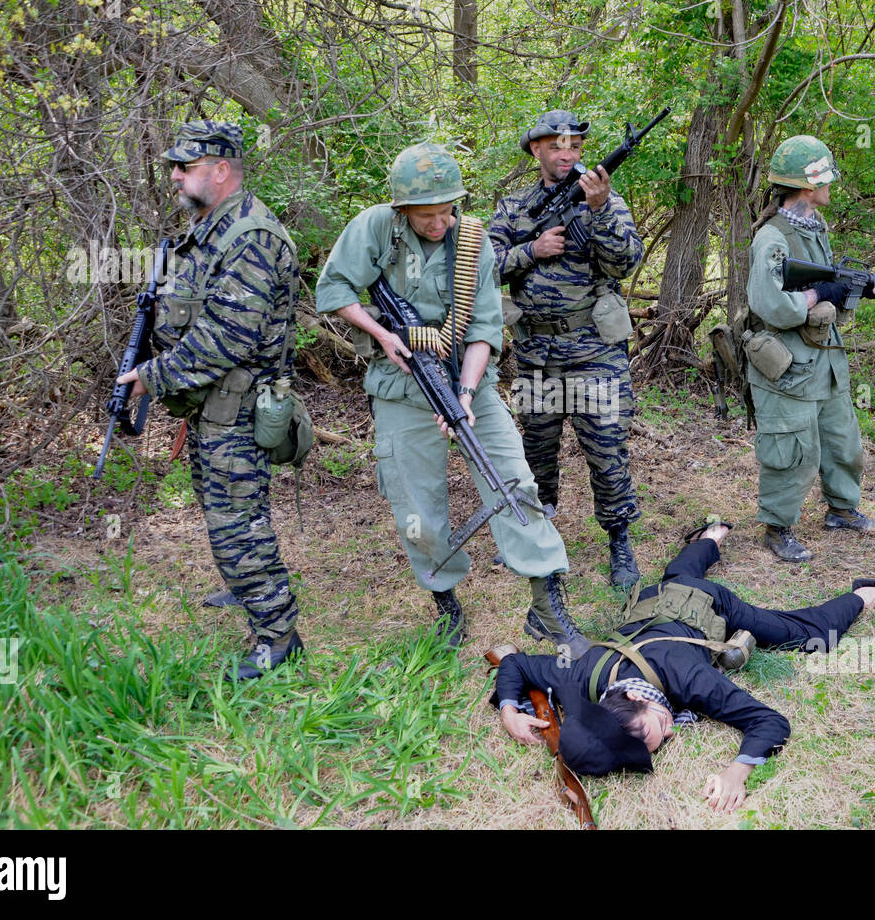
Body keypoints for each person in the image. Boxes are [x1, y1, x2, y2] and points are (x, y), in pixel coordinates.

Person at [315, 142, 589, 659]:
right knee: (415, 504)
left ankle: (546, 606)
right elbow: (333, 290)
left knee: (514, 481)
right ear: (401, 211)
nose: (440, 222)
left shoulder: (472, 242)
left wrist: (463, 393)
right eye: (427, 215)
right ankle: (446, 602)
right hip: (400, 387)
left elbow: (485, 325)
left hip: (468, 382)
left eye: (447, 210)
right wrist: (383, 334)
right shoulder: (375, 228)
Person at [493, 521, 875, 813]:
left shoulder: (687, 676)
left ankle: (866, 594)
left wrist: (739, 770)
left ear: (642, 705)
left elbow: (768, 721)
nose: (671, 732)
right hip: (655, 595)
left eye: (656, 730)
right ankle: (710, 537)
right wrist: (510, 709)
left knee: (806, 635)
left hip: (706, 604)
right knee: (679, 573)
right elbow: (515, 662)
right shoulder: (582, 674)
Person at [116, 120, 303, 680]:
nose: (175, 176)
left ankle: (278, 636)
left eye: (186, 166)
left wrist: (155, 375)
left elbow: (228, 336)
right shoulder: (210, 231)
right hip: (212, 407)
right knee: (228, 514)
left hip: (239, 409)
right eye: (174, 166)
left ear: (221, 171)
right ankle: (249, 591)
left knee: (237, 524)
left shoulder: (252, 237)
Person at [488, 110, 645, 590]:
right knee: (535, 450)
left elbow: (626, 261)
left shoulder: (604, 199)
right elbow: (481, 267)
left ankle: (619, 540)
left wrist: (598, 214)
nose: (567, 154)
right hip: (535, 349)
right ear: (536, 150)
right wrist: (529, 252)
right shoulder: (515, 208)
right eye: (556, 145)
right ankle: (537, 531)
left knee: (606, 448)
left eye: (574, 145)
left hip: (593, 351)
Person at [746, 135, 875, 563]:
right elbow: (769, 302)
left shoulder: (813, 228)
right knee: (792, 451)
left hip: (825, 362)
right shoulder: (772, 237)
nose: (831, 186)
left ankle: (843, 511)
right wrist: (815, 296)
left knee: (842, 442)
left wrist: (856, 291)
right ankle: (777, 529)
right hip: (787, 366)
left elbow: (822, 289)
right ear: (808, 186)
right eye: (826, 178)